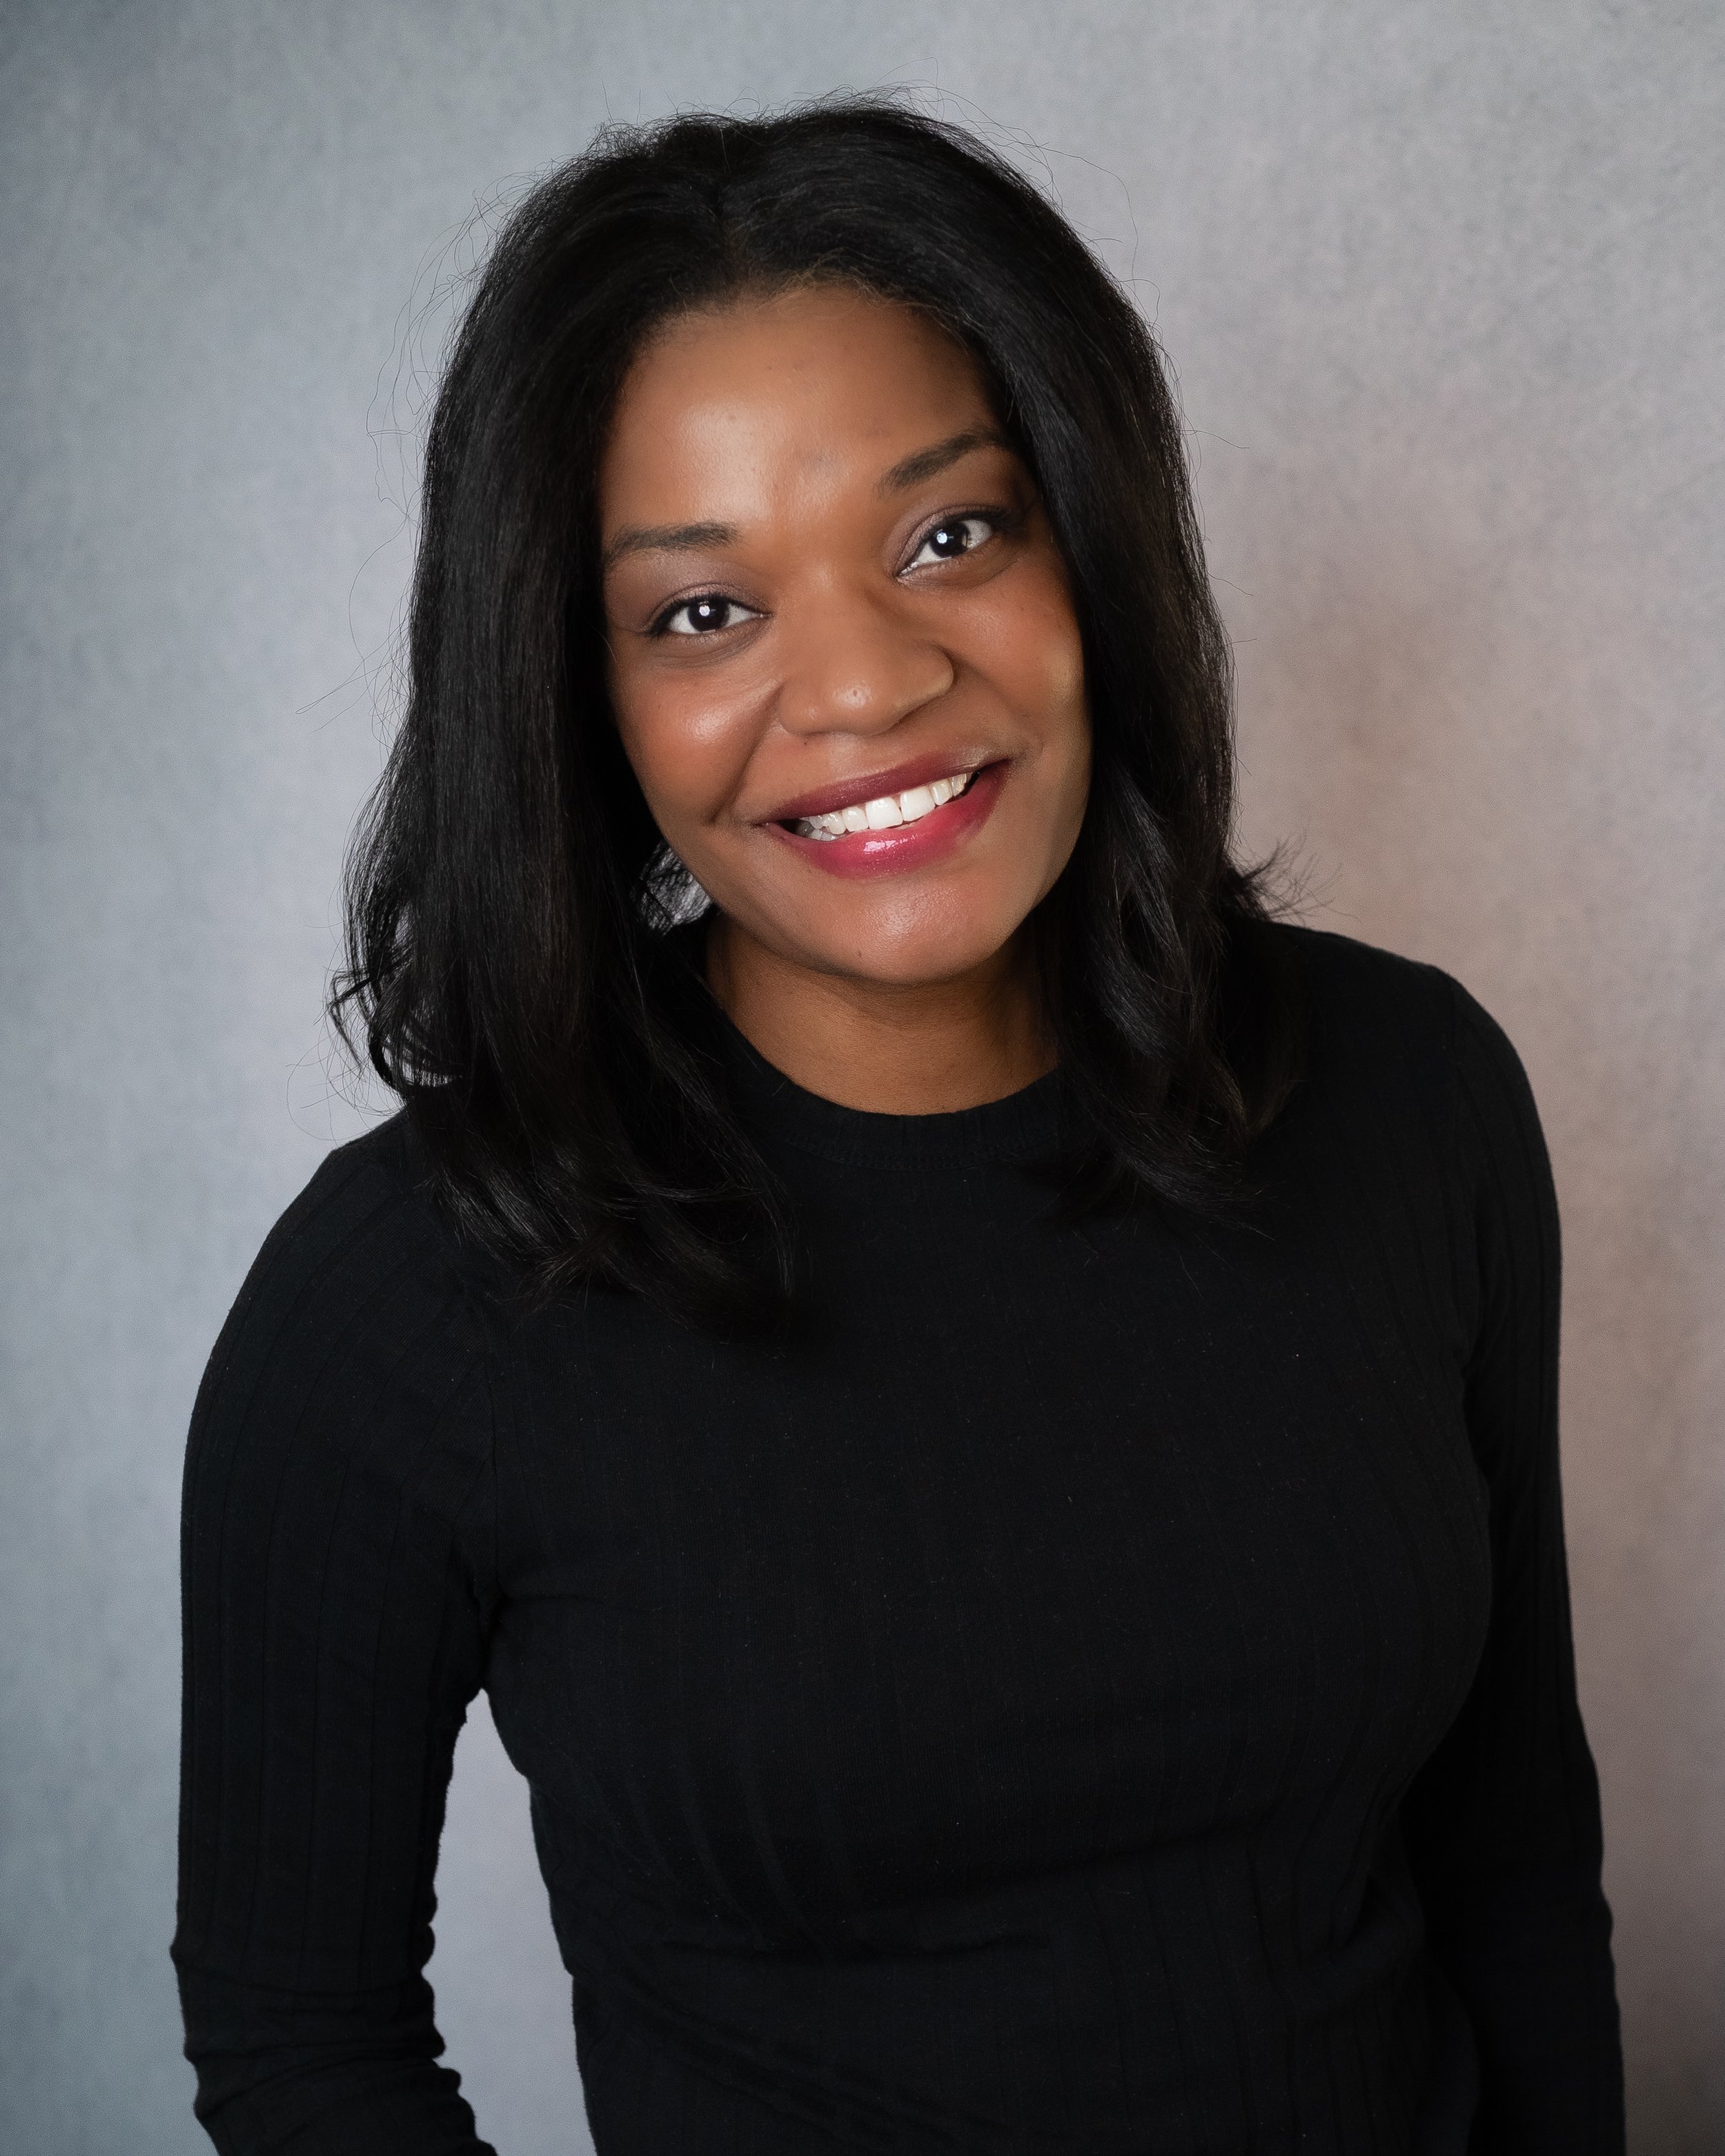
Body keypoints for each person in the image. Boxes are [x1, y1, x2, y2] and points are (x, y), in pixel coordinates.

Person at [172, 101, 1624, 2155]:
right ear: (577, 695)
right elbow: (301, 2044)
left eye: (949, 534)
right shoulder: (411, 1300)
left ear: (1088, 548)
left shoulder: (1407, 1092)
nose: (862, 686)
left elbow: (1513, 1863)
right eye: (703, 610)